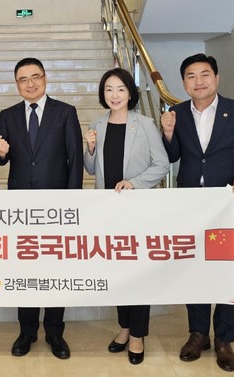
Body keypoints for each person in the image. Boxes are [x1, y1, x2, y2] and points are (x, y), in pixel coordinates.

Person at [161, 53, 234, 372]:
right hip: (191, 203)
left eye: (205, 74)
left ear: (217, 78)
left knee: (227, 270)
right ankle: (198, 334)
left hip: (228, 203)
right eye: (191, 76)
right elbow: (173, 156)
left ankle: (224, 339)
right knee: (194, 268)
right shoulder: (178, 113)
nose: (199, 81)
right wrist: (168, 133)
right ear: (184, 83)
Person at [0, 57, 83, 360]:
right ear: (16, 84)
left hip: (57, 205)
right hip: (21, 207)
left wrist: (72, 203)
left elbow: (75, 158)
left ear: (45, 78)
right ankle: (27, 330)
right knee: (26, 267)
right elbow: (1, 158)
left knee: (56, 268)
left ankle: (55, 332)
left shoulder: (65, 112)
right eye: (23, 79)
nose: (30, 84)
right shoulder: (7, 115)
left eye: (35, 77)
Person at [83, 67, 169, 365]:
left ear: (131, 93)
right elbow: (91, 169)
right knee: (118, 272)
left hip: (138, 211)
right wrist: (90, 148)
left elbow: (162, 164)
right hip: (109, 212)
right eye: (109, 89)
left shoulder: (145, 124)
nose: (114, 95)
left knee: (138, 273)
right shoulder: (97, 124)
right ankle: (124, 328)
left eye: (120, 89)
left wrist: (134, 183)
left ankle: (137, 335)